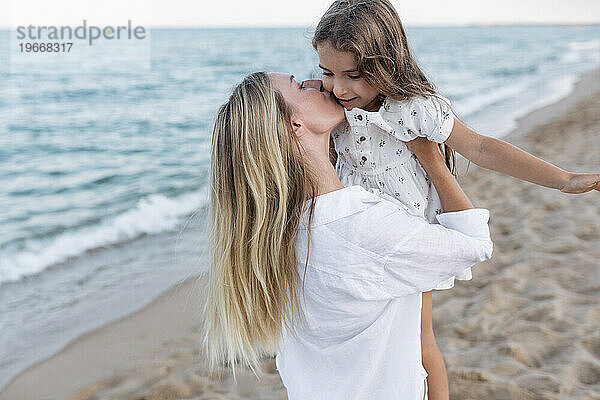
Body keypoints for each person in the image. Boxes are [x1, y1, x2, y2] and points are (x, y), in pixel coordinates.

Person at [310, 1, 600, 398]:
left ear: (387, 64)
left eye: (354, 76)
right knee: (367, 340)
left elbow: (480, 147)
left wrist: (562, 179)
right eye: (327, 72)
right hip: (356, 239)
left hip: (408, 242)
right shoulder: (332, 106)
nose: (338, 87)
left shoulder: (414, 110)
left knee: (418, 338)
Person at [202, 71, 493, 399]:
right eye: (300, 86)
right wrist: (431, 159)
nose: (318, 83)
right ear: (295, 125)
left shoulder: (272, 239)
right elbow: (475, 243)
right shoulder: (363, 225)